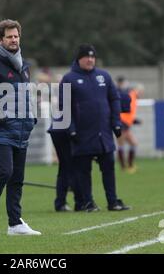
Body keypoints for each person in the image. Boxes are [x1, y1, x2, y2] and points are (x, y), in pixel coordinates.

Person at [0, 19, 41, 236]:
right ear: (0, 39)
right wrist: (2, 118)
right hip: (1, 129)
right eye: (9, 37)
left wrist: (32, 117)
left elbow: (26, 96)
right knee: (5, 171)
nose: (13, 40)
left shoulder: (23, 66)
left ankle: (15, 223)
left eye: (16, 36)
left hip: (22, 130)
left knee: (17, 178)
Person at [61, 44, 130, 212]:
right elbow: (64, 106)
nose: (90, 59)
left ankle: (113, 201)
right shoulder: (69, 78)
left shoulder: (104, 76)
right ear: (79, 59)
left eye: (93, 57)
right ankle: (88, 202)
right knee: (83, 171)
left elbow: (114, 99)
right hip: (82, 133)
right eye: (87, 57)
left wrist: (116, 122)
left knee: (109, 168)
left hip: (103, 133)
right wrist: (71, 128)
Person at [117, 82, 144, 173]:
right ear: (137, 90)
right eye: (141, 91)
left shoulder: (133, 98)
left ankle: (129, 165)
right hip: (122, 124)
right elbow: (124, 111)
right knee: (121, 145)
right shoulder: (131, 97)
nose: (142, 93)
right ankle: (124, 167)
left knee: (133, 144)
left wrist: (135, 121)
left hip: (125, 124)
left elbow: (129, 114)